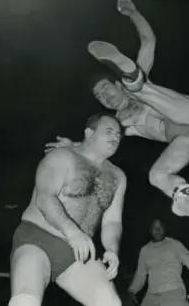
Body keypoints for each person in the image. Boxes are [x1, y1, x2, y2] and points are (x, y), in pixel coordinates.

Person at [86, 0, 189, 217]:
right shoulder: (118, 122)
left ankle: (134, 80)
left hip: (187, 113)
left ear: (116, 84)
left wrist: (132, 13)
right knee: (156, 175)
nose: (104, 98)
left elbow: (149, 41)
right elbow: (97, 142)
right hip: (188, 140)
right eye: (99, 96)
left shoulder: (131, 85)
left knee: (139, 87)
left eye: (105, 89)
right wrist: (73, 145)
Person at [8, 113, 127, 306]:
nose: (115, 137)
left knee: (111, 303)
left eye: (118, 134)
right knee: (26, 300)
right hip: (38, 238)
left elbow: (112, 220)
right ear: (89, 133)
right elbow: (45, 198)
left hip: (77, 251)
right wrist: (73, 233)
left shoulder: (118, 176)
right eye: (109, 131)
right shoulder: (62, 156)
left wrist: (112, 250)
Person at [128, 218, 189, 306]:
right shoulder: (145, 250)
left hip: (173, 291)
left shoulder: (174, 244)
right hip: (152, 295)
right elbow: (140, 274)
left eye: (160, 227)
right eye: (154, 228)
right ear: (150, 230)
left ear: (165, 228)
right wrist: (132, 290)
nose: (157, 230)